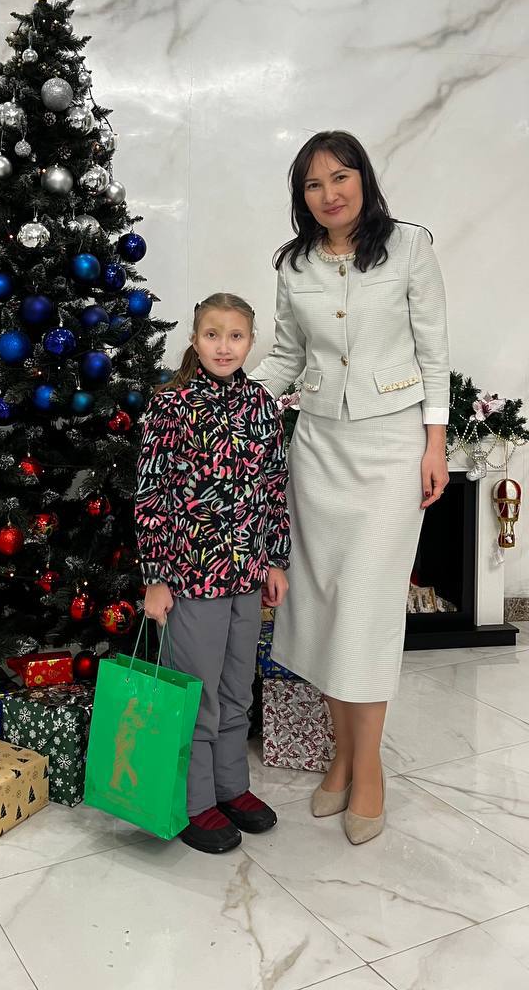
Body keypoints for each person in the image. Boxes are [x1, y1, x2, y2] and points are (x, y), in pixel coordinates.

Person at [251, 130, 450, 844]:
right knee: (328, 607)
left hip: (392, 447)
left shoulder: (410, 247)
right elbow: (287, 356)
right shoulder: (295, 262)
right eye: (313, 184)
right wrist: (224, 400)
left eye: (341, 177)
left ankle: (369, 769)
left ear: (363, 178)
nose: (329, 193)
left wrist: (435, 443)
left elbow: (434, 352)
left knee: (367, 608)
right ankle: (340, 755)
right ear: (300, 196)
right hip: (317, 450)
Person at [136, 293, 291, 855]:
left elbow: (274, 488)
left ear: (250, 342)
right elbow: (151, 494)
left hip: (246, 573)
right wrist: (156, 576)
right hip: (191, 578)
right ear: (195, 339)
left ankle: (231, 786)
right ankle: (195, 798)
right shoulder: (170, 405)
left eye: (235, 336)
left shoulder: (262, 405)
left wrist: (275, 559)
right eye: (212, 335)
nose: (223, 347)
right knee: (196, 692)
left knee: (235, 687)